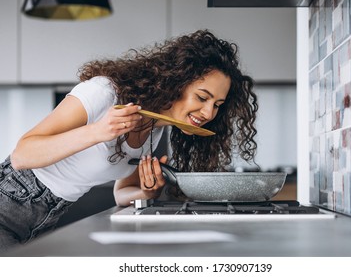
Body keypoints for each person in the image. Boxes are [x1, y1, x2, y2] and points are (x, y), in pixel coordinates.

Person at [0, 29, 258, 250]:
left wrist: (148, 191)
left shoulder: (156, 130)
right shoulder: (104, 93)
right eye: (202, 98)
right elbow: (23, 155)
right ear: (178, 81)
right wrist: (97, 131)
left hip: (48, 217)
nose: (209, 113)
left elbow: (121, 193)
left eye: (218, 105)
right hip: (8, 205)